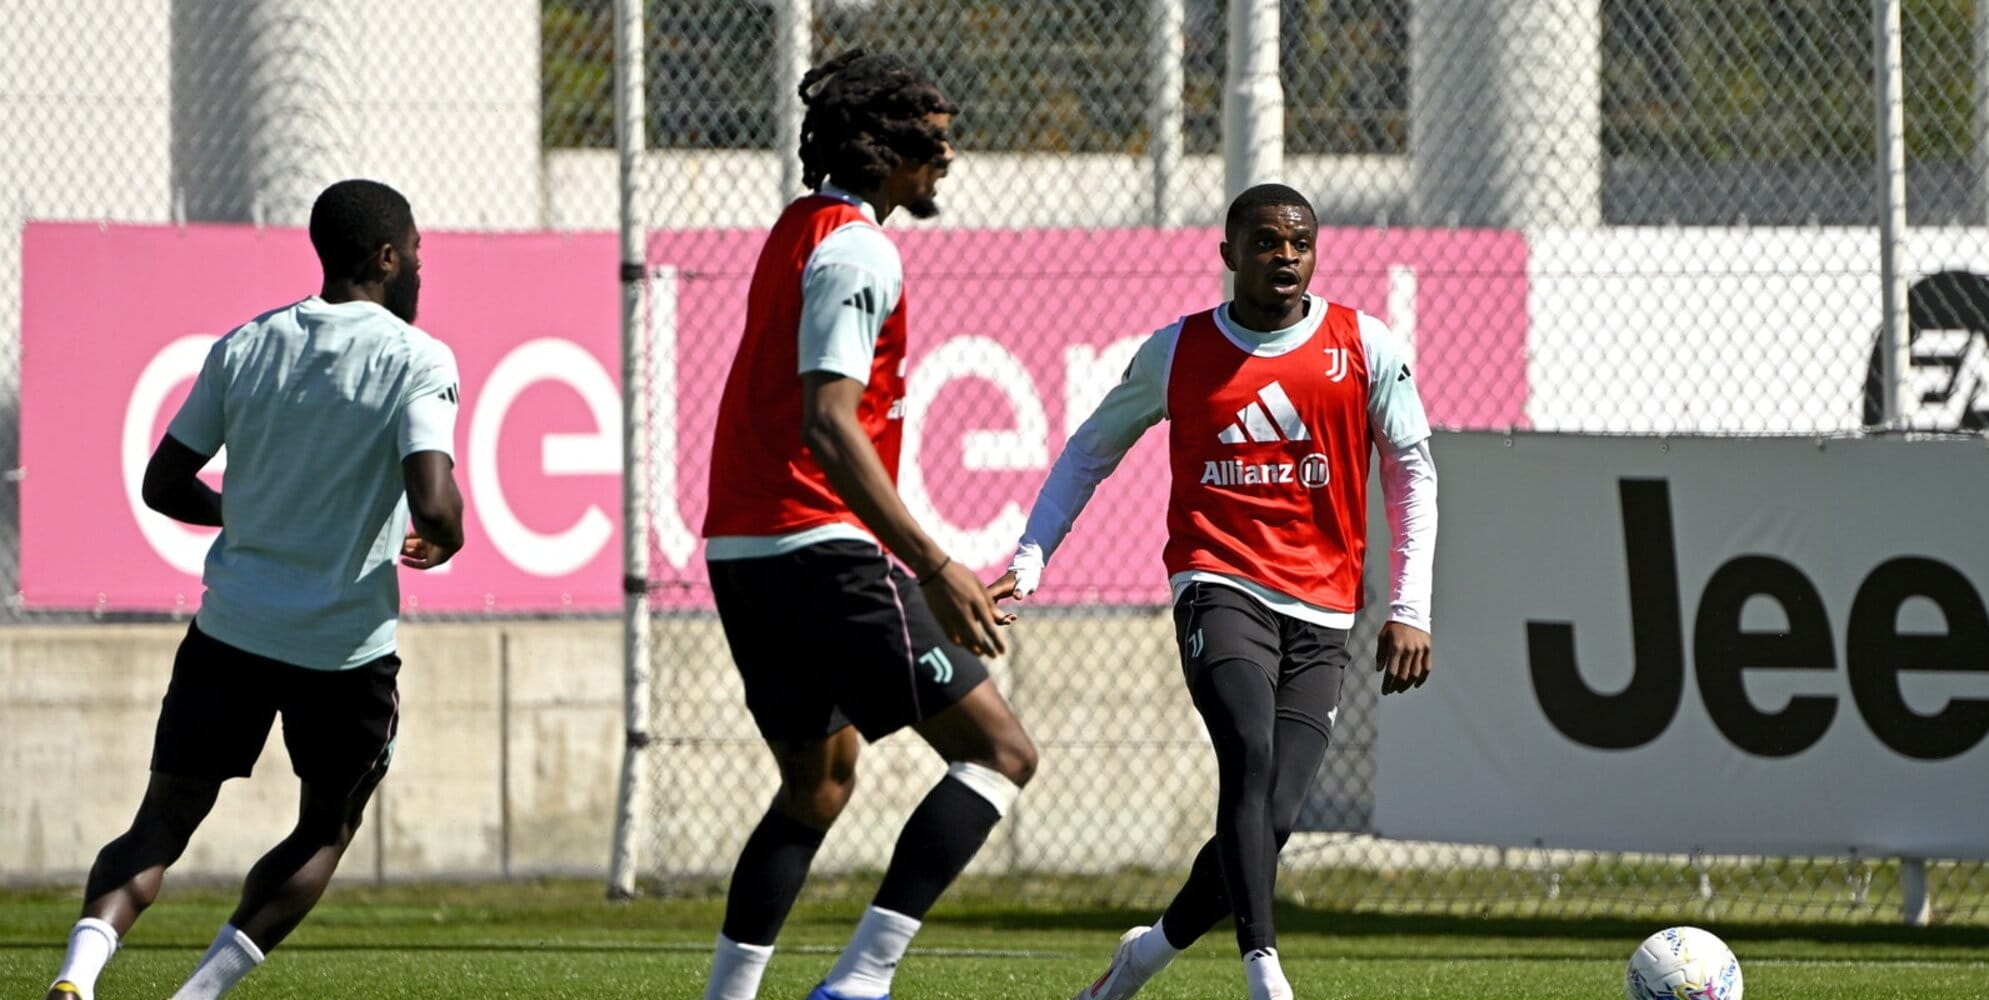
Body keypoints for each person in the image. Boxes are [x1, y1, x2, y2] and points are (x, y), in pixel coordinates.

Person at [991, 183, 1439, 1000]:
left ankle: (1142, 957)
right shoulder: (1177, 351)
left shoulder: (1362, 343)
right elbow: (1090, 449)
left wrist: (1409, 608)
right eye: (1265, 243)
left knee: (1274, 817)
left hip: (1323, 609)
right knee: (1247, 751)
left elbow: (1411, 472)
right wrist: (1031, 557)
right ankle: (1264, 971)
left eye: (1298, 243)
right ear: (1229, 254)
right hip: (1217, 582)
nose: (1284, 257)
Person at [44, 179, 464, 1000]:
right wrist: (445, 537)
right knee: (325, 827)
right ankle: (196, 995)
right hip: (342, 654)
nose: (420, 266)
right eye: (416, 251)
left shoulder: (247, 344)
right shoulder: (418, 358)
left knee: (161, 822)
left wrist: (237, 510)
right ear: (387, 258)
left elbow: (164, 483)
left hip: (230, 632)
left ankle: (76, 977)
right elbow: (435, 503)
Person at [699, 50, 1038, 1000]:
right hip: (815, 547)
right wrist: (933, 563)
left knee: (818, 784)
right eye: (934, 137)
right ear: (887, 146)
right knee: (1001, 753)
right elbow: (828, 421)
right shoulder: (856, 250)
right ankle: (861, 981)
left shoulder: (798, 227)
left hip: (744, 551)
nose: (948, 156)